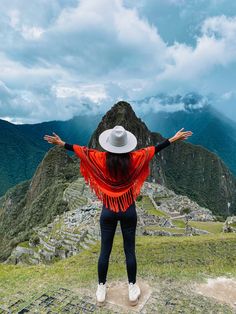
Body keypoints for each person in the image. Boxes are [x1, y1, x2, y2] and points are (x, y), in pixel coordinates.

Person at [44, 125, 192, 306]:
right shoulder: (135, 159)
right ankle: (132, 290)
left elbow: (81, 151)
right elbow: (153, 150)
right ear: (126, 145)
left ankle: (101, 290)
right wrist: (173, 139)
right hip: (128, 210)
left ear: (109, 144)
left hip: (108, 211)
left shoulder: (99, 159)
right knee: (129, 250)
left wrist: (61, 143)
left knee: (104, 251)